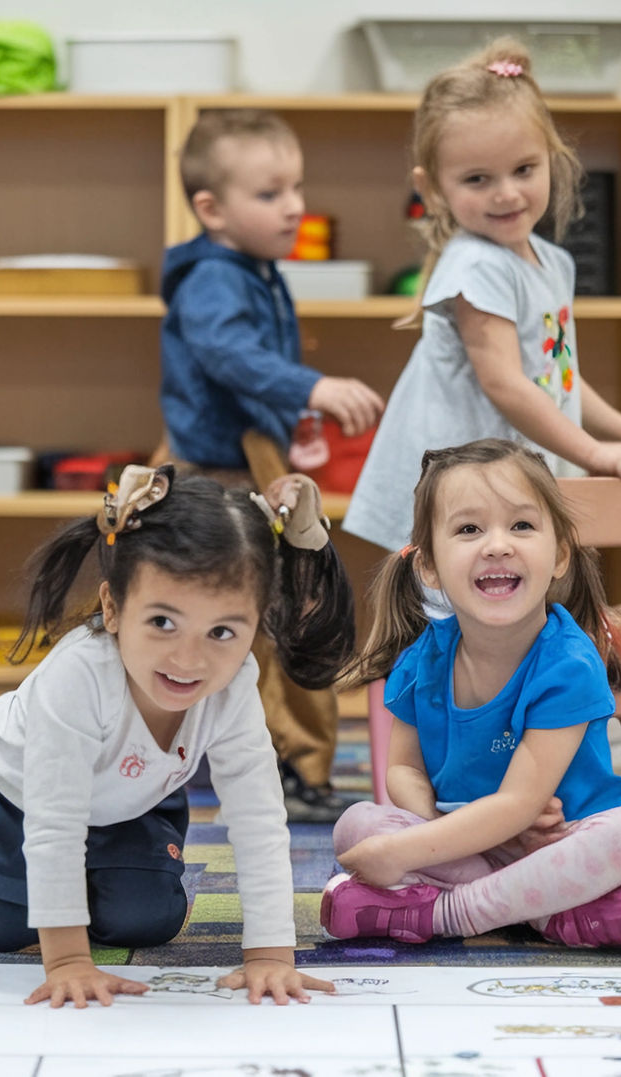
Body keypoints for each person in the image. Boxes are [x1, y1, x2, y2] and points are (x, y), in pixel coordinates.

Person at [0, 465, 354, 1007]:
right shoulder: (78, 674)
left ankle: (83, 885)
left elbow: (259, 818)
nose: (189, 659)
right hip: (17, 797)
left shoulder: (236, 682)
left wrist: (270, 955)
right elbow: (55, 822)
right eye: (163, 623)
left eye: (222, 631)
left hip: (131, 801)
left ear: (257, 625)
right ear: (112, 608)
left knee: (148, 919)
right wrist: (69, 962)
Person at [320, 439, 621, 955]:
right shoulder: (423, 658)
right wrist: (432, 828)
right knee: (355, 825)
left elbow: (519, 806)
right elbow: (404, 770)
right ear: (429, 567)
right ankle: (555, 912)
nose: (497, 545)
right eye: (469, 530)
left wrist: (406, 854)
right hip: (466, 843)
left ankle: (446, 913)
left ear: (560, 555)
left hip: (562, 840)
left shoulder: (569, 664)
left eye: (522, 525)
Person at [343, 40, 621, 558]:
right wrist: (594, 452)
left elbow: (556, 378)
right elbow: (505, 383)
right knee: (446, 602)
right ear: (431, 189)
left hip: (494, 488)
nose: (506, 193)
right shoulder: (476, 265)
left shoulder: (553, 262)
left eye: (524, 170)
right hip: (454, 489)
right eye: (477, 179)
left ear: (551, 159)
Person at [160, 107, 384, 821]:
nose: (294, 207)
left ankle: (285, 760)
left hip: (248, 463)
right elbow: (227, 353)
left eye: (296, 188)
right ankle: (277, 762)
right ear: (211, 210)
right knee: (264, 617)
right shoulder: (213, 278)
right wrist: (309, 388)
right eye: (269, 193)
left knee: (285, 608)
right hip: (220, 475)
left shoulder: (251, 269)